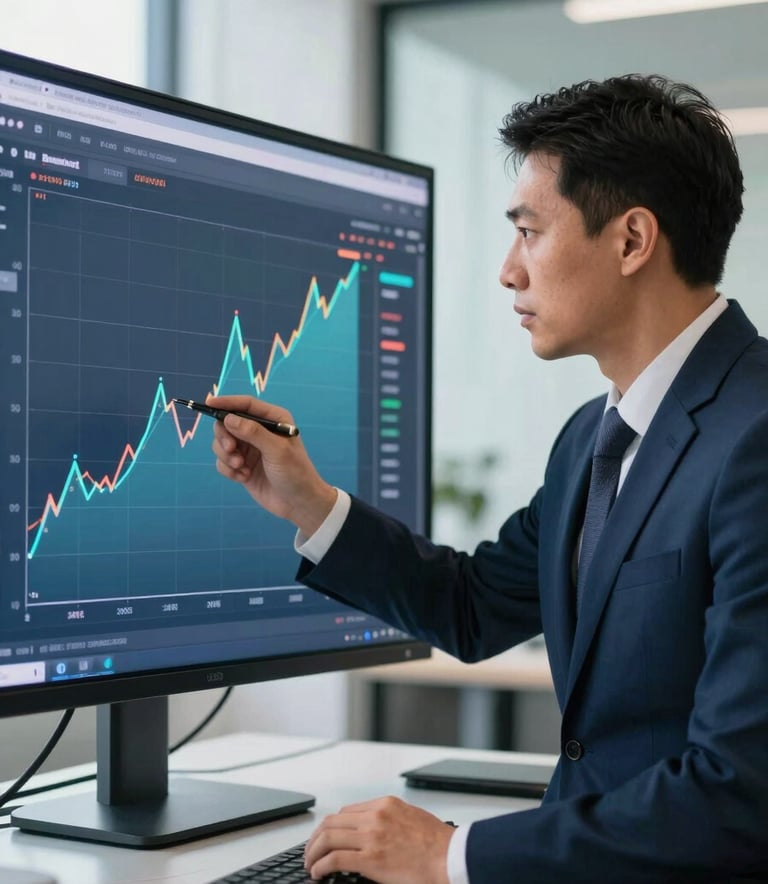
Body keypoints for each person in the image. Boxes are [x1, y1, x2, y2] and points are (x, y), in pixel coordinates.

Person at [209, 74, 768, 883]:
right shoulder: (593, 440)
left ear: (632, 240)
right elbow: (475, 607)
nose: (509, 271)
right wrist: (313, 504)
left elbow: (738, 798)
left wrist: (452, 855)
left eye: (530, 231)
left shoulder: (753, 437)